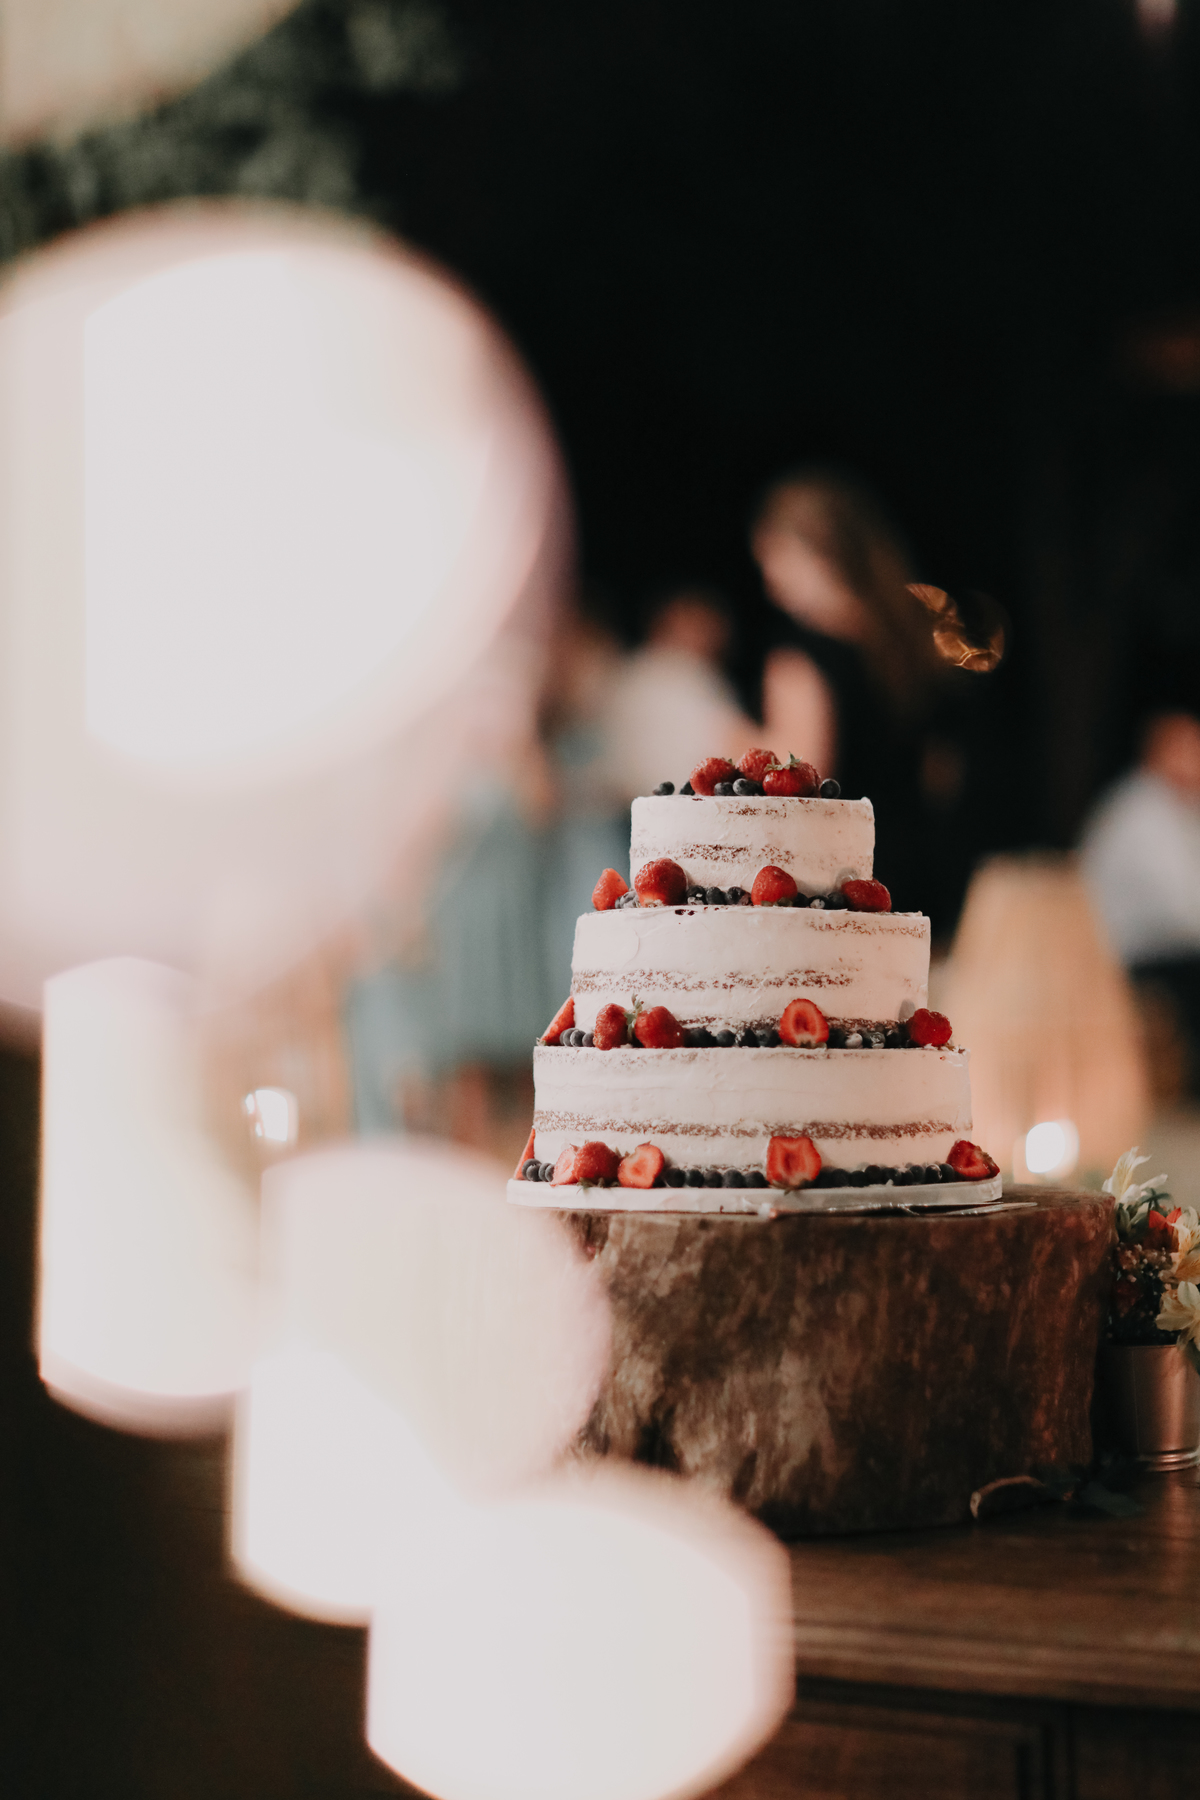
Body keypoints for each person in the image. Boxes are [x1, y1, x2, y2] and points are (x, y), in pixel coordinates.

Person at [748, 468, 970, 923]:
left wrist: (731, 737)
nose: (770, 582)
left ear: (802, 549)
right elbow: (942, 773)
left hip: (845, 881)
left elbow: (802, 778)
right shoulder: (906, 641)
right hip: (923, 865)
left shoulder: (799, 656)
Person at [1081, 710, 1200, 1095]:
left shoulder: (1182, 810)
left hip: (1164, 952)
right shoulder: (1141, 809)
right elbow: (1180, 908)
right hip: (1125, 958)